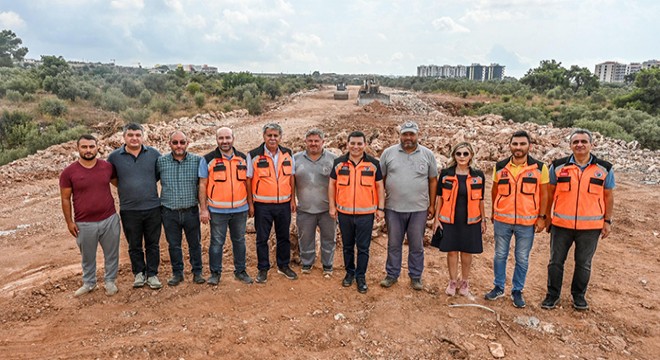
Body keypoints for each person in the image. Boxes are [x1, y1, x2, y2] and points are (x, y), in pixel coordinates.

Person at [541, 128, 615, 311]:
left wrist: (607, 221)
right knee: (556, 261)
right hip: (561, 225)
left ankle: (579, 296)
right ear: (570, 145)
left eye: (583, 141)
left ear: (592, 144)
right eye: (576, 142)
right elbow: (549, 194)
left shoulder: (604, 168)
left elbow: (608, 196)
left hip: (590, 227)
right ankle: (552, 295)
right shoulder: (558, 166)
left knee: (583, 263)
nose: (579, 145)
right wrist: (547, 217)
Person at [485, 130, 549, 308]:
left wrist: (542, 217)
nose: (518, 147)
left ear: (529, 146)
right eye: (515, 144)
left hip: (526, 223)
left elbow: (544, 195)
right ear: (510, 146)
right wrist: (493, 212)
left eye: (522, 144)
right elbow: (495, 191)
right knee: (500, 255)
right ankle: (498, 287)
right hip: (502, 221)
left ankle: (517, 290)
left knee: (521, 257)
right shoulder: (500, 167)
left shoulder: (539, 168)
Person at [379, 121, 438, 291]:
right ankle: (391, 274)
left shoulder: (427, 154)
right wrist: (381, 204)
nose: (408, 138)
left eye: (412, 134)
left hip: (418, 209)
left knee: (416, 245)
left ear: (418, 135)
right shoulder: (388, 153)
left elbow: (433, 180)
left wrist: (432, 205)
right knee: (394, 243)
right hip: (393, 208)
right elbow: (380, 179)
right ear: (400, 135)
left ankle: (416, 276)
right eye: (405, 134)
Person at [60, 134, 121, 297]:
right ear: (78, 148)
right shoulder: (68, 172)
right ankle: (89, 283)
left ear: (97, 147)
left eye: (91, 146)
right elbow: (65, 199)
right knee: (87, 256)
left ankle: (110, 281)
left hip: (109, 219)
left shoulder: (107, 167)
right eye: (84, 147)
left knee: (112, 253)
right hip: (84, 223)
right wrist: (69, 222)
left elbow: (120, 184)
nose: (88, 150)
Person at [328, 131, 385, 294]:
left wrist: (380, 208)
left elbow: (380, 186)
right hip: (344, 213)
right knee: (347, 246)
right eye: (352, 143)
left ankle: (361, 276)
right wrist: (332, 206)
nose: (356, 147)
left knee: (363, 247)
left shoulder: (373, 164)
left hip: (366, 214)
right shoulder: (338, 163)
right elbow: (332, 184)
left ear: (365, 145)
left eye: (359, 144)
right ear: (347, 144)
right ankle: (349, 273)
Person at [108, 123, 163, 290]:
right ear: (124, 137)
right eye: (130, 135)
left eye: (138, 135)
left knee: (153, 243)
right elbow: (113, 178)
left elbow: (158, 175)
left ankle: (152, 274)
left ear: (143, 136)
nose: (134, 138)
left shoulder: (153, 154)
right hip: (129, 209)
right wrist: (128, 186)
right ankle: (139, 273)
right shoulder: (114, 157)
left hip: (153, 207)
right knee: (134, 244)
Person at [199, 127, 254, 285]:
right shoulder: (208, 159)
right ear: (216, 140)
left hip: (240, 210)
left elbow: (248, 184)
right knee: (217, 243)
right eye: (221, 138)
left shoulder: (243, 158)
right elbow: (202, 185)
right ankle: (215, 273)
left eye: (227, 138)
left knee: (239, 241)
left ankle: (240, 271)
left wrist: (250, 204)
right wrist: (204, 209)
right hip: (217, 211)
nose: (225, 141)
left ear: (233, 138)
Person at [433, 142, 486, 297]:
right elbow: (440, 198)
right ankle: (452, 281)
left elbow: (481, 199)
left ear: (471, 156)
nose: (462, 157)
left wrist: (483, 220)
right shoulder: (446, 173)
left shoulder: (478, 175)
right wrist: (436, 219)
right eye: (459, 154)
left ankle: (464, 281)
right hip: (449, 219)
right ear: (454, 156)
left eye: (465, 154)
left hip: (470, 220)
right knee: (452, 251)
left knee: (467, 252)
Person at [246, 123, 298, 283]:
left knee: (284, 237)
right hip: (262, 205)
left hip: (283, 204)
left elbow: (291, 177)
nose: (272, 138)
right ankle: (263, 268)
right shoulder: (253, 155)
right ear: (264, 137)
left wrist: (292, 199)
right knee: (262, 238)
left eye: (276, 135)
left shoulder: (288, 154)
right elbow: (248, 180)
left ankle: (283, 265)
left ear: (280, 137)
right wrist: (251, 203)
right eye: (269, 135)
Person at [156, 130, 205, 286]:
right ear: (169, 143)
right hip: (169, 212)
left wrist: (204, 207)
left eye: (182, 142)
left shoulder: (197, 161)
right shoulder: (161, 162)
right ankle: (177, 274)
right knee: (174, 245)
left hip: (191, 211)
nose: (179, 145)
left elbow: (203, 185)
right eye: (175, 142)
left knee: (195, 244)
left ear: (187, 143)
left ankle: (197, 272)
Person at [293, 129, 338, 276]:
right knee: (305, 238)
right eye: (310, 141)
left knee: (329, 238)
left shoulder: (333, 159)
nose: (313, 144)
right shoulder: (295, 159)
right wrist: (292, 200)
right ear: (305, 142)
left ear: (323, 142)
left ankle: (328, 265)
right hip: (305, 208)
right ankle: (307, 263)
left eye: (316, 141)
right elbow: (290, 181)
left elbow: (339, 183)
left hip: (327, 210)